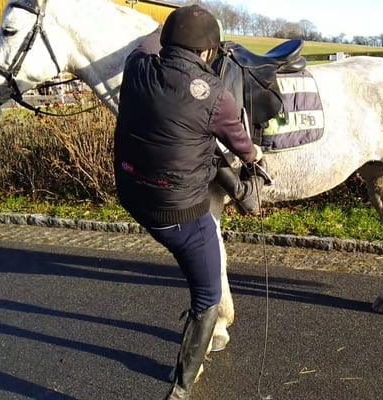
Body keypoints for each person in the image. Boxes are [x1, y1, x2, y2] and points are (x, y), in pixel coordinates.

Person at [113, 4, 266, 399]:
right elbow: (244, 148)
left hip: (133, 196)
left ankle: (240, 194)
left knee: (197, 147)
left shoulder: (136, 68)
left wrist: (162, 27)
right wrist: (256, 156)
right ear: (209, 52)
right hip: (180, 216)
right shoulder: (217, 96)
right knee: (208, 295)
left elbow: (146, 46)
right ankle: (182, 386)